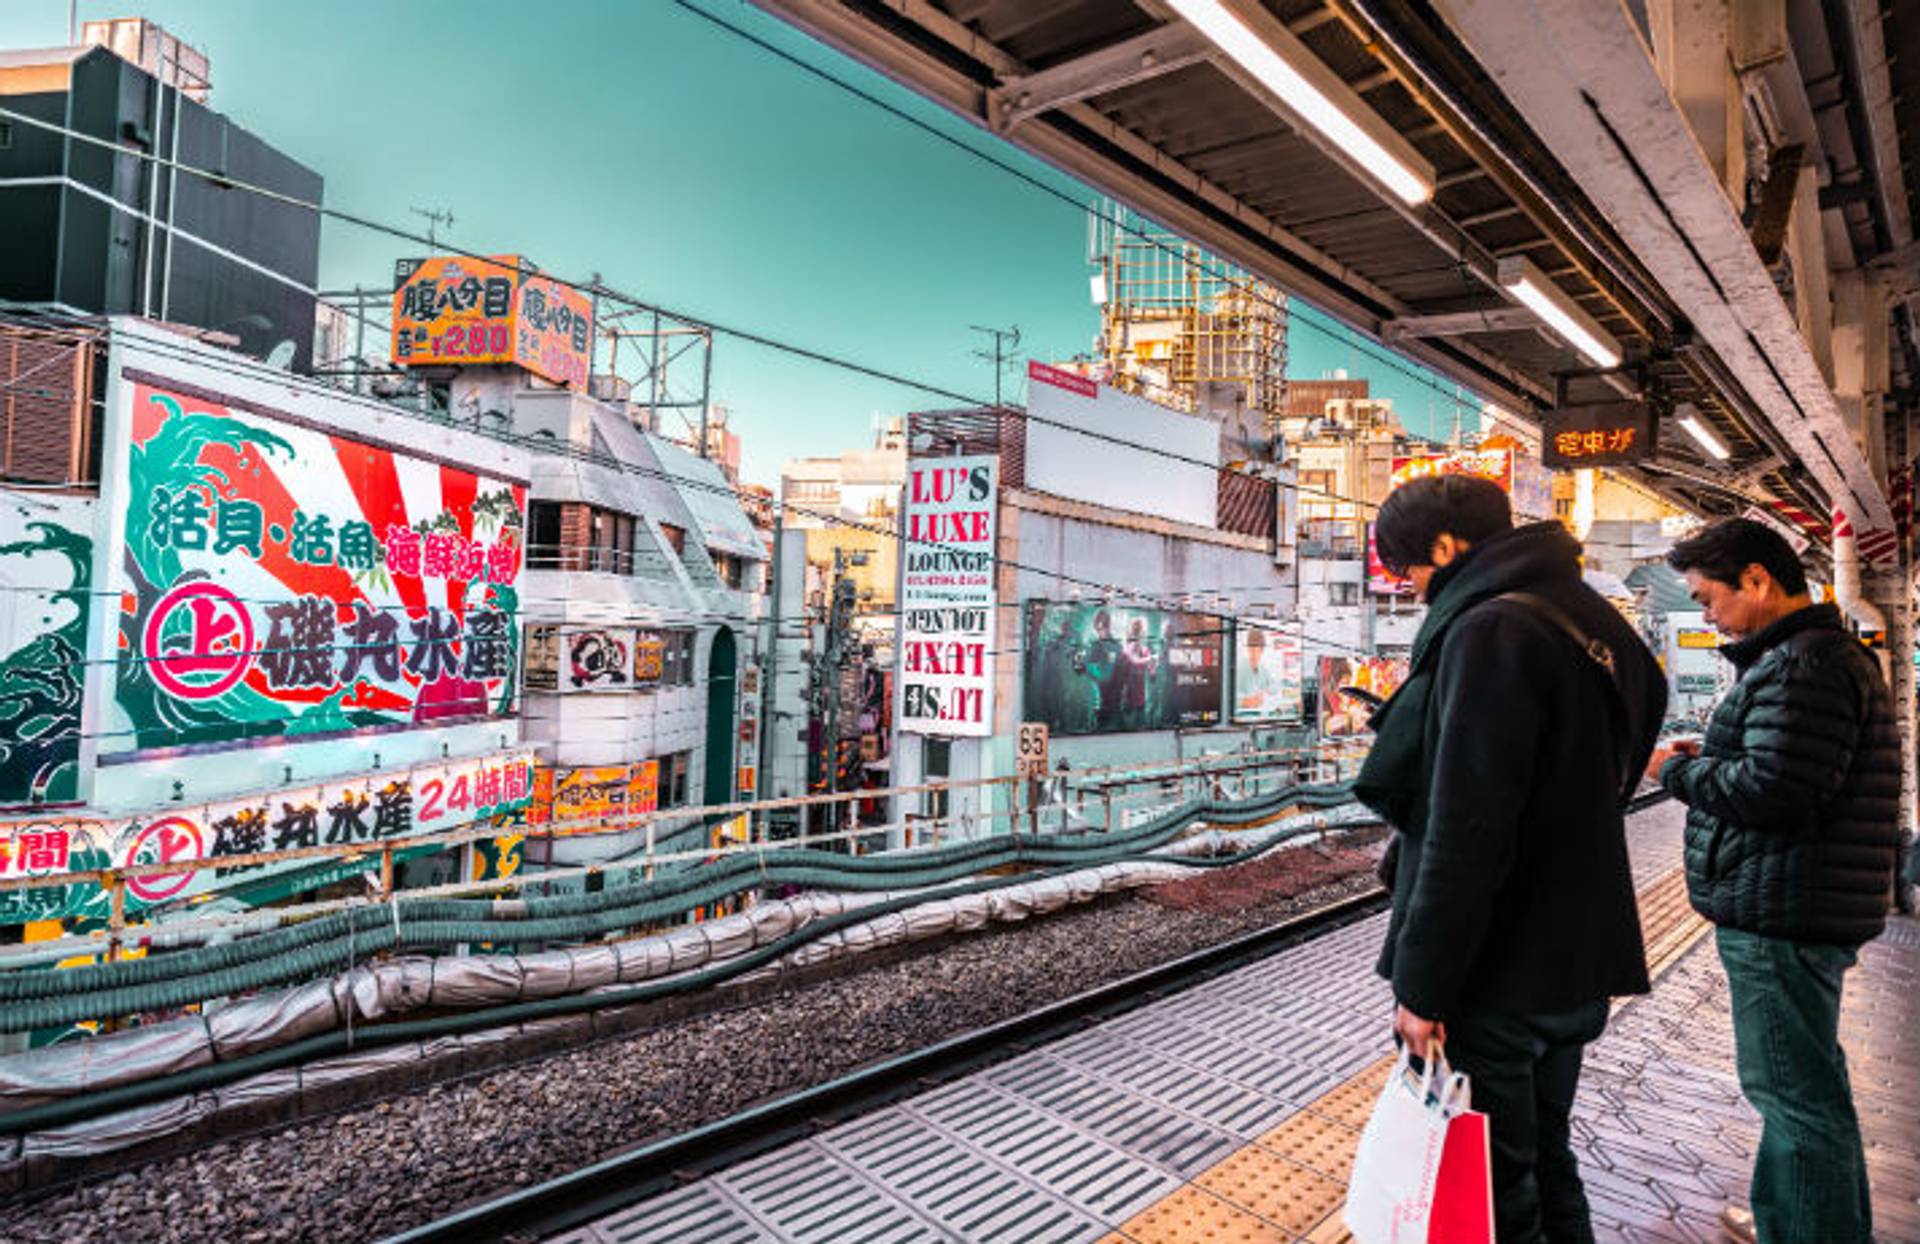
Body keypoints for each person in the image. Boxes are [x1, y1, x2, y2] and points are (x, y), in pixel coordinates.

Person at [1355, 475, 1665, 1244]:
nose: (1414, 591)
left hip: (1500, 973)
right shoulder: (1592, 617)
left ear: (1448, 548)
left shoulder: (1490, 630)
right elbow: (1637, 726)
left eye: (1410, 571)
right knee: (1546, 1159)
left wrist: (1424, 990)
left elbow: (1467, 828)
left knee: (1497, 1190)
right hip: (1578, 958)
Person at [1647, 519, 1899, 1244]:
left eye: (1708, 598)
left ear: (1757, 580)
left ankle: (1809, 1232)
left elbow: (1774, 792)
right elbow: (1786, 767)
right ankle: (1791, 1216)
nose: (1705, 615)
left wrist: (1676, 771)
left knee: (1794, 1095)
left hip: (1784, 911)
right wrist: (1716, 752)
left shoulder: (1803, 665)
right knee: (1804, 1086)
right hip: (1797, 903)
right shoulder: (1814, 656)